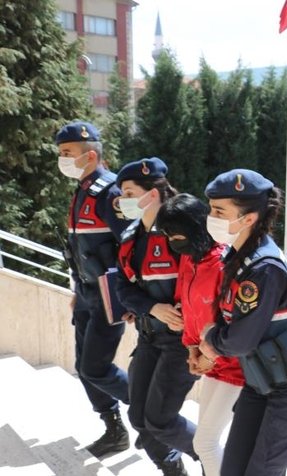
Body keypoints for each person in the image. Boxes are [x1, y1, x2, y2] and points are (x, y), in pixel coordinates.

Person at [198, 169, 287, 476]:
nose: (211, 217)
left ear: (249, 218)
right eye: (211, 209)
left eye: (220, 211)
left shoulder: (264, 268)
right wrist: (208, 344)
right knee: (232, 469)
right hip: (260, 381)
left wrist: (211, 340)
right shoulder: (238, 256)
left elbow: (240, 340)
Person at [114, 158, 197, 475]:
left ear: (152, 193)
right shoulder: (131, 236)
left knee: (160, 420)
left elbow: (207, 278)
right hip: (148, 336)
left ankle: (215, 457)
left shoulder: (182, 232)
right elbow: (122, 286)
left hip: (180, 341)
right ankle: (173, 467)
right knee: (139, 418)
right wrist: (150, 307)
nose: (122, 200)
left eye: (129, 193)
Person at [55, 121, 132, 458]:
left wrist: (131, 296)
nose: (62, 159)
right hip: (86, 292)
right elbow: (79, 249)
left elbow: (131, 245)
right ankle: (114, 429)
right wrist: (77, 287)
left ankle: (150, 408)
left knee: (95, 368)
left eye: (67, 153)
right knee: (83, 366)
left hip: (108, 295)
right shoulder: (82, 191)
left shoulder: (109, 193)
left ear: (89, 155)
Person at [155, 194, 243, 476]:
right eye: (168, 236)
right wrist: (192, 348)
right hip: (209, 361)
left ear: (195, 226)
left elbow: (232, 320)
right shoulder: (189, 259)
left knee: (205, 443)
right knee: (205, 442)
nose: (172, 242)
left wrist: (209, 355)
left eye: (176, 234)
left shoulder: (224, 263)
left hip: (233, 365)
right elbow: (189, 307)